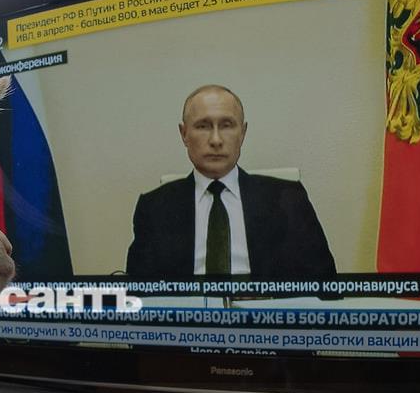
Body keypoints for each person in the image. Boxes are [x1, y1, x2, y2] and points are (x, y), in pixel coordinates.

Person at [125, 85, 335, 280]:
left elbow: (325, 286)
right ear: (184, 134)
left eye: (226, 126)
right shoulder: (154, 208)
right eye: (203, 126)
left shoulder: (288, 199)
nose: (216, 140)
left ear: (242, 133)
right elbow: (140, 293)